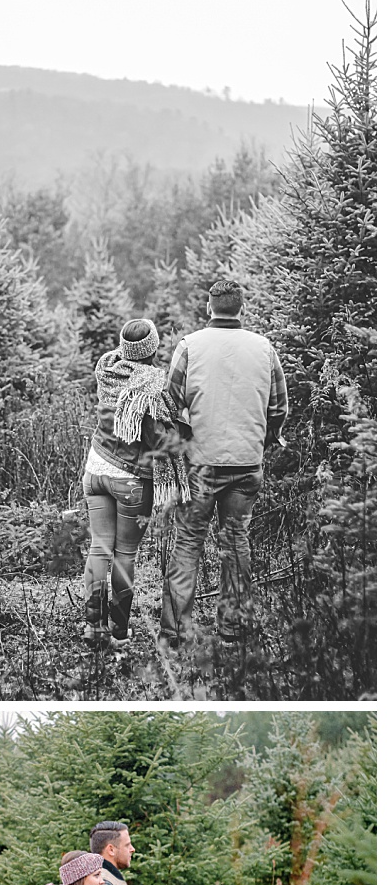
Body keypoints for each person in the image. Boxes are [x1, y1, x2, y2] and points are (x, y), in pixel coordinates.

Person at [162, 279, 289, 651]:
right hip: (247, 463)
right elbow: (278, 406)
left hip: (200, 464)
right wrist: (263, 441)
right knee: (236, 543)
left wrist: (186, 439)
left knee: (187, 543)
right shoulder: (264, 348)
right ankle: (232, 630)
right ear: (242, 309)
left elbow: (170, 403)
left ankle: (176, 633)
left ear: (208, 308)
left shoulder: (190, 346)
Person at [83, 319, 190, 651]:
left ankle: (93, 628)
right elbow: (162, 435)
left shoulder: (106, 367)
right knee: (124, 554)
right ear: (153, 348)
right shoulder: (153, 384)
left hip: (96, 468)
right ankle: (118, 631)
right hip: (130, 478)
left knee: (100, 548)